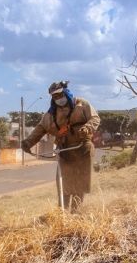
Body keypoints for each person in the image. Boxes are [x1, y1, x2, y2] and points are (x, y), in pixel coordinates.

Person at [21, 81, 100, 211]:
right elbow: (40, 129)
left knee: (79, 184)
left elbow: (95, 118)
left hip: (83, 148)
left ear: (66, 92)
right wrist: (28, 142)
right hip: (65, 150)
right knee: (64, 184)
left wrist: (87, 128)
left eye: (60, 95)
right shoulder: (51, 114)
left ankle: (76, 213)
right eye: (55, 97)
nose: (58, 99)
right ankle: (62, 213)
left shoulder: (82, 104)